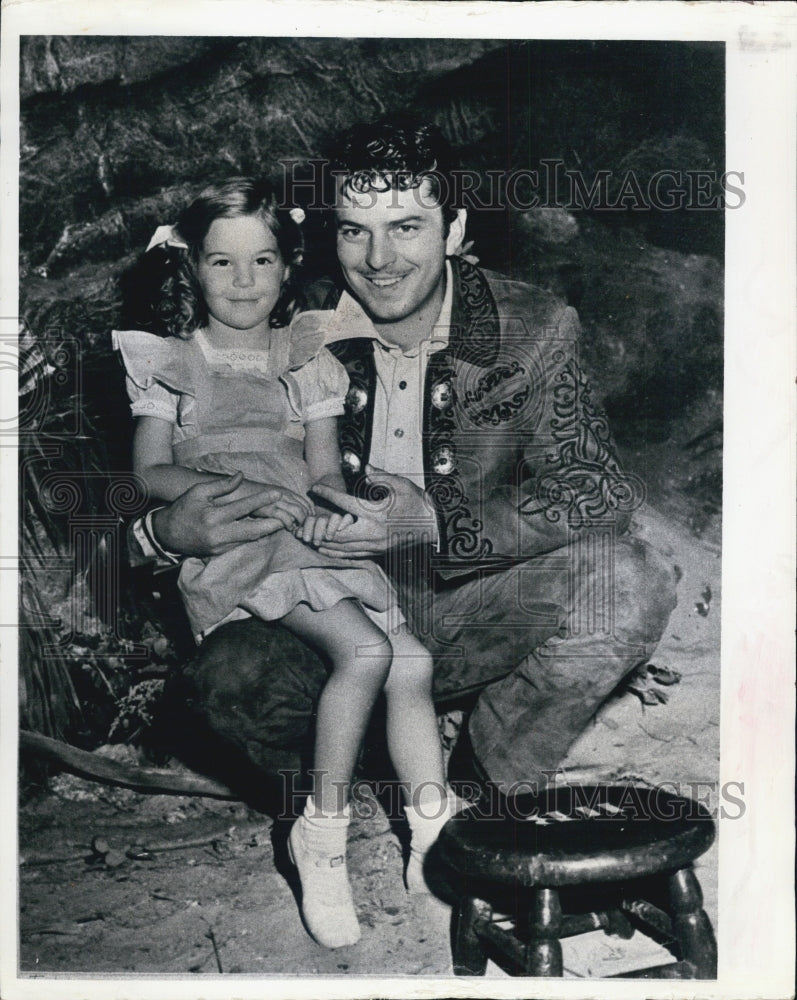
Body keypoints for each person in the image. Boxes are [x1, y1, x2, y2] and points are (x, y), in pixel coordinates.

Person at [128, 118, 676, 826]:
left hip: (471, 604)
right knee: (226, 683)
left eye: (407, 227)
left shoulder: (531, 325)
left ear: (454, 229)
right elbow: (169, 452)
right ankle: (342, 786)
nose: (378, 259)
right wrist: (163, 534)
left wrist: (437, 523)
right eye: (354, 231)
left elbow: (595, 488)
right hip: (326, 607)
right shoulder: (286, 311)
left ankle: (487, 785)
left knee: (631, 581)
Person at [114, 178, 451, 949]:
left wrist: (340, 510)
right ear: (192, 268)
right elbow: (150, 473)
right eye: (222, 263)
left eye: (262, 261)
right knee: (364, 652)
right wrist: (238, 493)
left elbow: (324, 471)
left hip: (300, 533)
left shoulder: (304, 356)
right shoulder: (171, 359)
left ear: (288, 265)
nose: (244, 282)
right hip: (237, 537)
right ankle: (320, 836)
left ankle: (434, 834)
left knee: (411, 661)